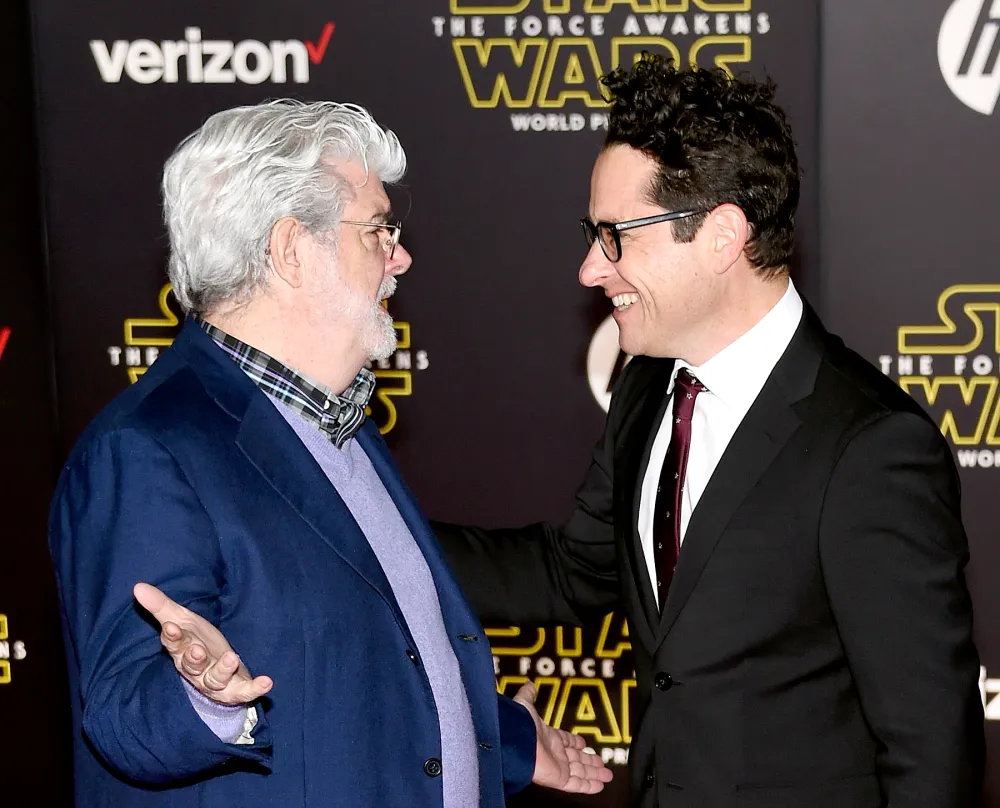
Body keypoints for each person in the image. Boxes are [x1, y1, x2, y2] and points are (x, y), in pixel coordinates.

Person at [434, 55, 986, 808]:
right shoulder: (647, 384)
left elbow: (931, 755)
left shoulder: (870, 447)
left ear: (723, 236)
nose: (591, 269)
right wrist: (381, 538)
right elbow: (572, 575)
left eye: (615, 236)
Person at [48, 100, 611, 807]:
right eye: (378, 230)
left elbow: (354, 671)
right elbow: (125, 714)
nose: (400, 256)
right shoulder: (146, 451)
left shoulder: (336, 426)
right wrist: (208, 699)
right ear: (291, 250)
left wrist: (504, 739)